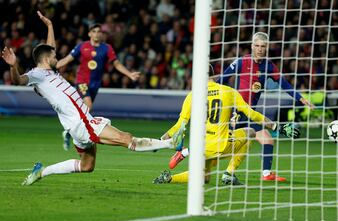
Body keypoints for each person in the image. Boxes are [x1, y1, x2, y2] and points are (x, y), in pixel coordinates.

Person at [1, 12, 184, 186]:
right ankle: (170, 143)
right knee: (126, 138)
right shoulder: (37, 75)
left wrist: (50, 25)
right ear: (47, 58)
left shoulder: (50, 70)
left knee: (86, 166)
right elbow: (18, 79)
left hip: (76, 126)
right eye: (55, 55)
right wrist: (13, 66)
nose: (58, 56)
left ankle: (41, 172)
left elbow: (50, 48)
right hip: (83, 124)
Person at [169, 32, 315, 182]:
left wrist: (301, 99)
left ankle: (257, 174)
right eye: (257, 46)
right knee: (220, 148)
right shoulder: (241, 62)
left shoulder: (269, 67)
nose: (259, 49)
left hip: (250, 112)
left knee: (263, 140)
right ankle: (187, 155)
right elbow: (223, 79)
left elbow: (285, 84)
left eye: (263, 46)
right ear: (252, 46)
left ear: (267, 48)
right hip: (236, 111)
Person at [153, 65, 300, 185]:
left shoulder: (192, 95)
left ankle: (171, 177)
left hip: (202, 146)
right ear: (214, 76)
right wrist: (276, 127)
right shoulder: (228, 92)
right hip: (223, 145)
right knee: (250, 132)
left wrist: (160, 142)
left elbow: (180, 125)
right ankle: (229, 173)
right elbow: (252, 115)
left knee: (203, 177)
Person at [56, 22, 141, 151]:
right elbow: (67, 59)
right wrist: (53, 68)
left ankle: (70, 131)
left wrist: (129, 74)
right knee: (88, 106)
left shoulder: (106, 48)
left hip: (95, 85)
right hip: (82, 82)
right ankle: (72, 130)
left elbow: (117, 64)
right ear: (89, 33)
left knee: (85, 110)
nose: (96, 34)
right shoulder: (82, 46)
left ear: (101, 34)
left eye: (99, 32)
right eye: (94, 31)